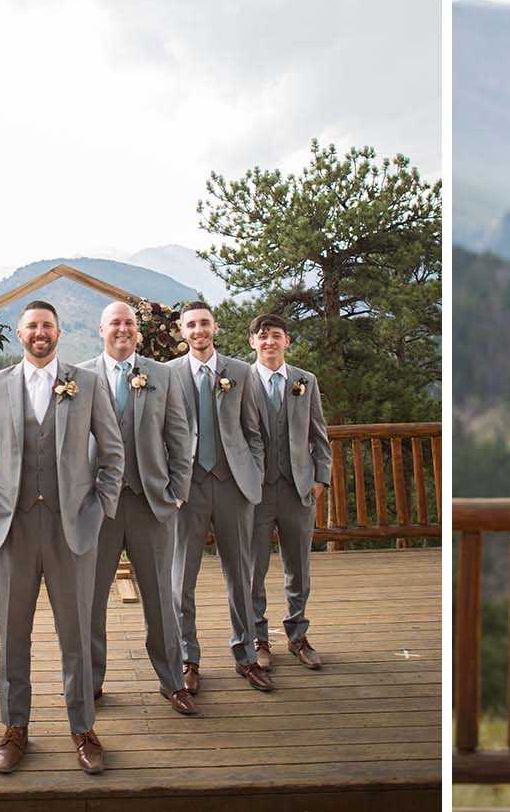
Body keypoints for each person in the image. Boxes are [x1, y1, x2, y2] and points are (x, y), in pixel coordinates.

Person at [0, 301, 125, 773]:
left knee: (75, 633)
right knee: (15, 634)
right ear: (19, 333)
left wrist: (97, 510)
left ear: (59, 332)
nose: (39, 333)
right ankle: (15, 729)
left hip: (72, 528)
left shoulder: (87, 382)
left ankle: (83, 728)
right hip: (11, 529)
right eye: (31, 326)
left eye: (47, 326)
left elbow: (112, 453)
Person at [80, 300, 196, 714]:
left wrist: (177, 492)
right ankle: (90, 683)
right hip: (99, 508)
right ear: (101, 329)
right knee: (89, 600)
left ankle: (173, 680)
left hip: (152, 505)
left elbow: (181, 438)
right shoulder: (79, 377)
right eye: (115, 323)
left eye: (129, 323)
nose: (123, 329)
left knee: (161, 598)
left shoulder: (162, 375)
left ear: (138, 330)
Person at [167, 301, 271, 693]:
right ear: (182, 331)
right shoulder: (169, 375)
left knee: (241, 576)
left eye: (204, 324)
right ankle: (187, 658)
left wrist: (253, 477)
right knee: (181, 580)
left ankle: (245, 656)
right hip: (187, 488)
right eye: (191, 325)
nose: (198, 330)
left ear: (215, 327)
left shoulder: (240, 372)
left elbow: (254, 431)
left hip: (233, 485)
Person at [243, 313, 331, 673]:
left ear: (287, 341)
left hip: (298, 490)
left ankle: (297, 634)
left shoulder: (304, 381)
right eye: (262, 337)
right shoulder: (239, 380)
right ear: (252, 343)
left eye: (276, 336)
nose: (269, 342)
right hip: (255, 492)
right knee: (253, 569)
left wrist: (320, 478)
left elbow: (319, 434)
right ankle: (258, 639)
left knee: (299, 567)